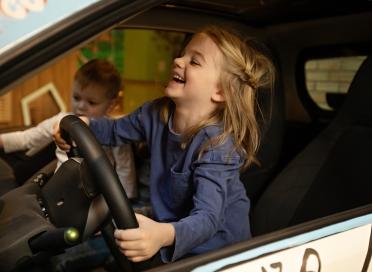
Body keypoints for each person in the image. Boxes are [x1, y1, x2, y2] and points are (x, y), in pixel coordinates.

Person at [55, 25, 275, 265]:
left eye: (195, 61)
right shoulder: (154, 113)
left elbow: (208, 219)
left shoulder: (217, 145)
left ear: (220, 91)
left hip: (216, 254)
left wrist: (162, 235)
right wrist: (83, 124)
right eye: (183, 54)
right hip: (168, 230)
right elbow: (113, 130)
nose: (179, 60)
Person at [0, 59, 137, 198]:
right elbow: (28, 138)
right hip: (61, 192)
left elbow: (125, 170)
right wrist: (2, 140)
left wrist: (126, 202)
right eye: (76, 98)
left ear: (111, 105)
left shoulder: (114, 131)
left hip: (98, 197)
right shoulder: (62, 120)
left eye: (91, 102)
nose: (81, 106)